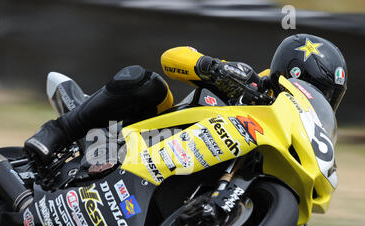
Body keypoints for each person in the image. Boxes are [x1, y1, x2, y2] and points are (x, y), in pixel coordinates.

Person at [24, 34, 347, 165]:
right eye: (318, 90)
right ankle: (58, 130)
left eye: (329, 97)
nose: (321, 101)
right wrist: (210, 67)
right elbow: (171, 57)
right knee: (147, 83)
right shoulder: (247, 80)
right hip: (148, 137)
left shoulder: (293, 142)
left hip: (186, 171)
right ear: (291, 75)